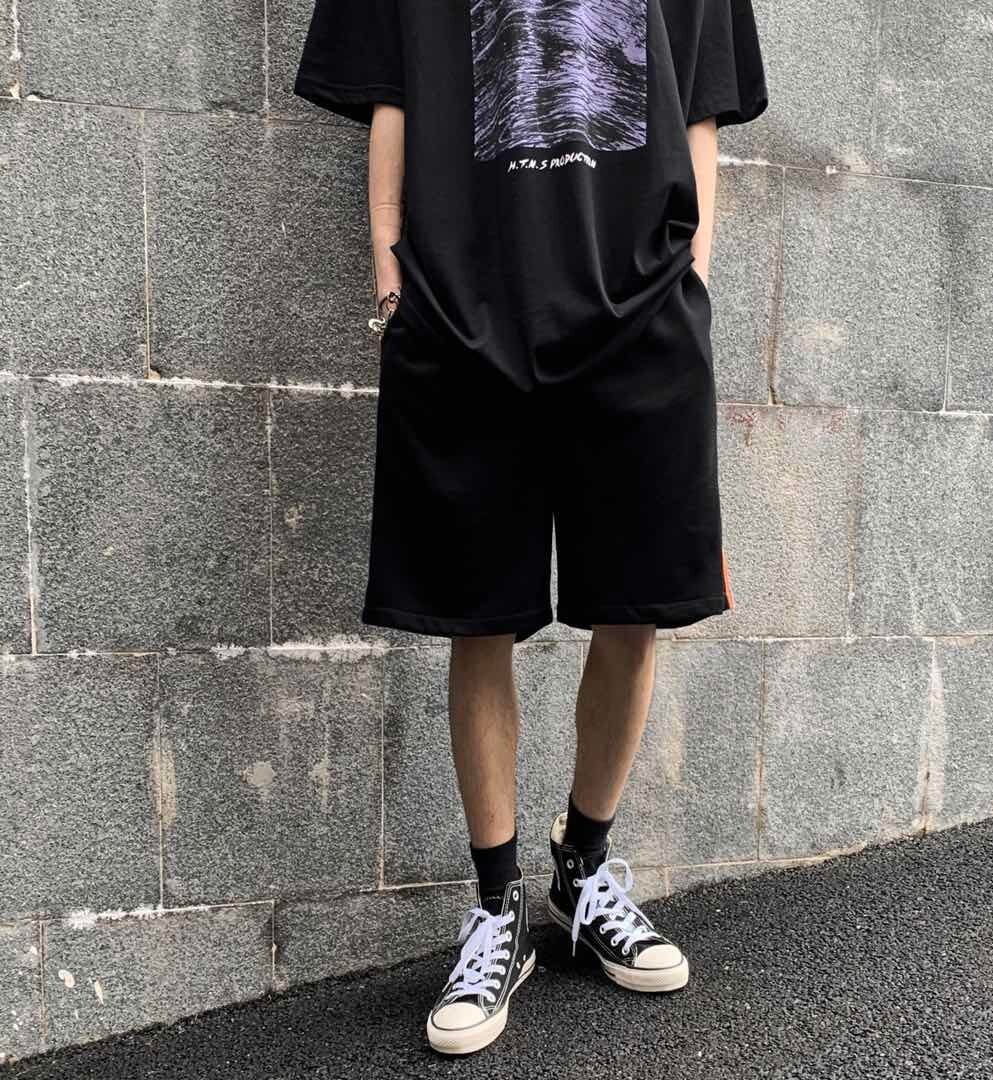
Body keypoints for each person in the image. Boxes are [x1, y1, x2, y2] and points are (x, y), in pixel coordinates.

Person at [295, 0, 767, 1055]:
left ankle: (583, 868)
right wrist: (391, 280)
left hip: (643, 312)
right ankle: (495, 903)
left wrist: (692, 278)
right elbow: (391, 93)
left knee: (638, 605)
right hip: (463, 310)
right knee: (480, 616)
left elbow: (703, 100)